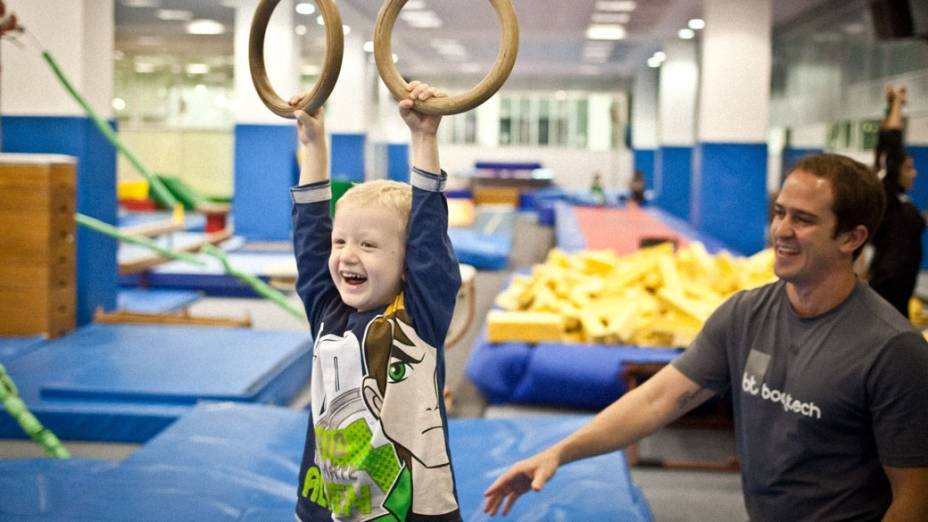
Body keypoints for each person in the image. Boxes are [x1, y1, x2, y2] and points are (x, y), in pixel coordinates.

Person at [484, 153, 928, 521]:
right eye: (779, 213)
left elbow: (914, 496)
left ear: (852, 237)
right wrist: (559, 453)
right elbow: (659, 399)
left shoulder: (891, 350)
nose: (782, 231)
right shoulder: (745, 314)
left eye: (804, 220)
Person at [290, 81, 463, 521]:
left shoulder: (419, 318)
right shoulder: (327, 313)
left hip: (412, 512)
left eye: (368, 245)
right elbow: (311, 238)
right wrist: (313, 144)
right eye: (342, 241)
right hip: (325, 506)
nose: (347, 254)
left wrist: (424, 137)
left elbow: (428, 238)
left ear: (407, 264)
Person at [869, 84, 925, 318]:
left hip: (901, 285)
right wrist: (897, 105)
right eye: (909, 168)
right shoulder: (887, 192)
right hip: (888, 284)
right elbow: (890, 145)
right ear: (896, 170)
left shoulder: (901, 200)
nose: (914, 173)